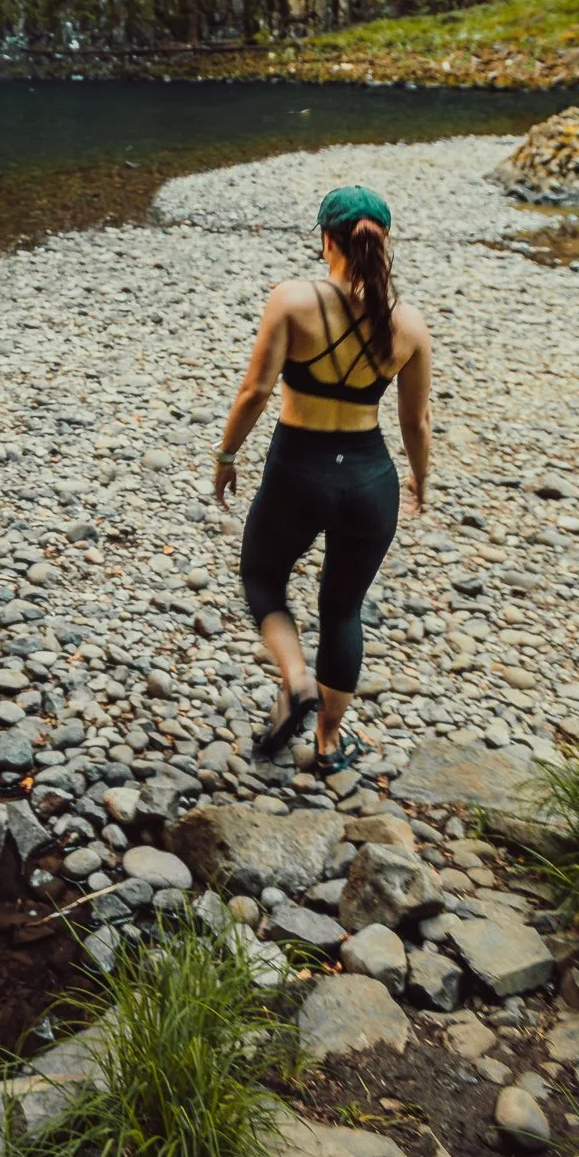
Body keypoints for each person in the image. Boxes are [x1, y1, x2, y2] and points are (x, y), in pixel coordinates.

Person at [210, 184, 432, 778]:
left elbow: (254, 391)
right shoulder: (407, 321)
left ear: (326, 239)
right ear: (383, 242)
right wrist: (420, 479)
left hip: (298, 470)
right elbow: (415, 419)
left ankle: (295, 680)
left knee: (262, 577)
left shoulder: (293, 300)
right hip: (370, 478)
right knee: (342, 608)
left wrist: (227, 453)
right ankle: (330, 746)